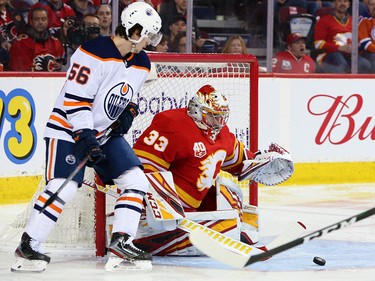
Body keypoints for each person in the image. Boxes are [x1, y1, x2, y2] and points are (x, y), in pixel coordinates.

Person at [11, 1, 162, 272]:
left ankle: (122, 240)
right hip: (68, 129)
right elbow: (76, 100)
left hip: (103, 134)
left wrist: (128, 112)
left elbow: (128, 95)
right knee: (65, 186)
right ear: (134, 30)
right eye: (148, 34)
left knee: (136, 180)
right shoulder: (93, 51)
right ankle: (30, 245)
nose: (150, 41)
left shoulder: (142, 61)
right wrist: (85, 136)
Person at [131, 85, 263, 255]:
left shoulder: (221, 132)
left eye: (221, 117)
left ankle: (236, 225)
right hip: (167, 210)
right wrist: (162, 205)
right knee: (148, 178)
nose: (219, 122)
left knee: (228, 187)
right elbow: (144, 163)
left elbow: (237, 159)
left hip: (194, 210)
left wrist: (260, 161)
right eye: (214, 116)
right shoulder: (172, 124)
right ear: (197, 111)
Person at [314, 0, 371, 73]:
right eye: (339, 1)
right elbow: (317, 44)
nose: (342, 4)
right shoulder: (324, 20)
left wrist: (358, 45)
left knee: (365, 64)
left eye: (345, 1)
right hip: (330, 54)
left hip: (350, 55)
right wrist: (339, 48)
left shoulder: (354, 21)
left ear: (349, 4)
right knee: (342, 64)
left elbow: (361, 39)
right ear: (334, 4)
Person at [8, 6, 64, 71]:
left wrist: (59, 65)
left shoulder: (55, 42)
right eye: (36, 19)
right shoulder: (21, 43)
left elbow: (61, 66)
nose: (40, 22)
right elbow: (20, 72)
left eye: (43, 19)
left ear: (48, 21)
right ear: (31, 21)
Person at [359, 0, 375, 73]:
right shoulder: (364, 22)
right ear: (368, 7)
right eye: (372, 5)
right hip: (369, 53)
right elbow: (365, 44)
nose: (374, 7)